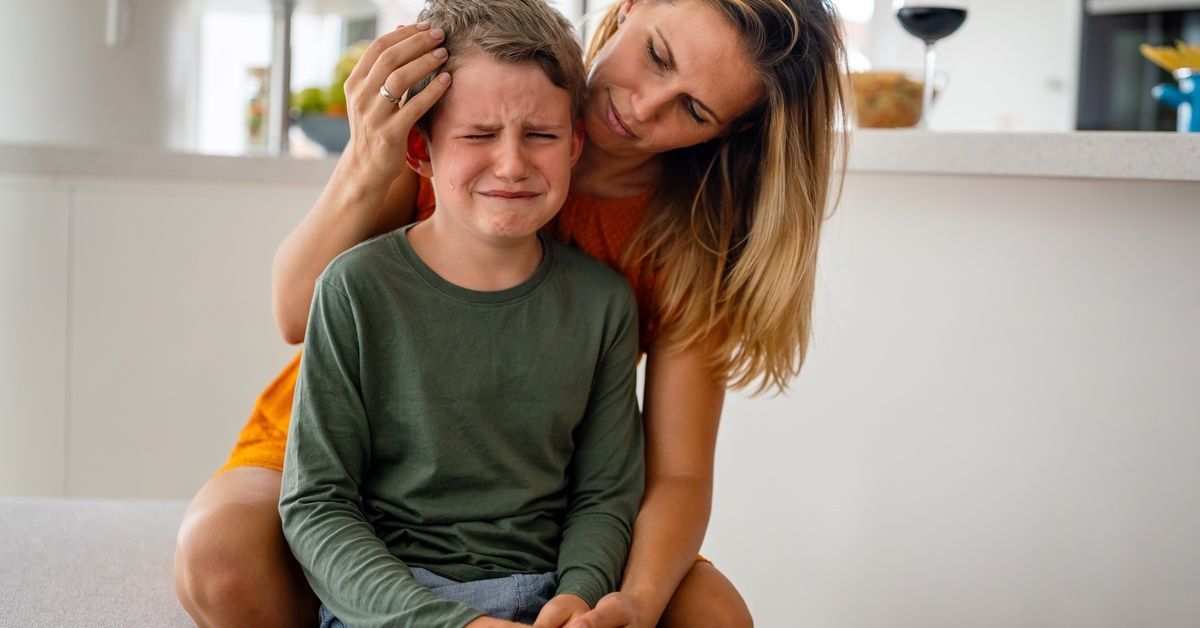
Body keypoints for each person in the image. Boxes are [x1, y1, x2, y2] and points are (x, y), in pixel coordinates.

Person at [173, 0, 849, 626]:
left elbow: (676, 474)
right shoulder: (460, 106)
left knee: (714, 616)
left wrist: (631, 602)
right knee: (220, 559)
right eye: (658, 55)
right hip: (346, 451)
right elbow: (297, 312)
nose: (644, 106)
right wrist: (367, 159)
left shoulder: (690, 237)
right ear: (635, 6)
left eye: (693, 110)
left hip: (534, 491)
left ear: (732, 130)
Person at [278, 1, 644, 626]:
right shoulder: (353, 287)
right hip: (396, 603)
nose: (511, 163)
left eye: (541, 135)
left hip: (549, 596)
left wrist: (579, 598)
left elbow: (604, 495)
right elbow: (316, 504)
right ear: (419, 150)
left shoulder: (604, 304)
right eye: (478, 135)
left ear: (575, 145)